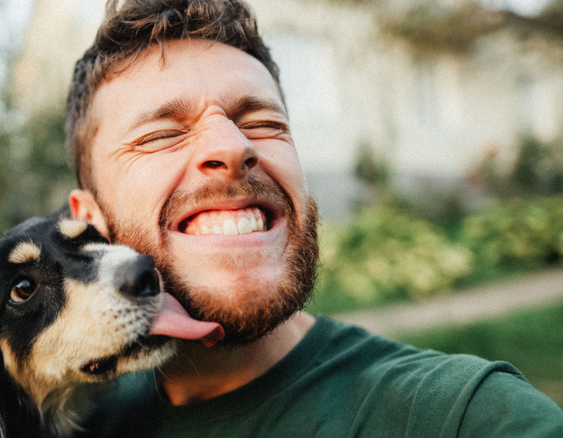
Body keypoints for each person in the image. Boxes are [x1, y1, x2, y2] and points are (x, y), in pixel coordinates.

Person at [63, 0, 563, 436]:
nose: (233, 147)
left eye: (263, 124)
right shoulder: (74, 422)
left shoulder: (465, 415)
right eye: (161, 134)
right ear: (89, 223)